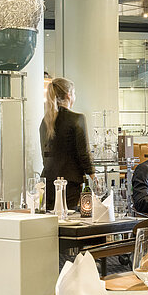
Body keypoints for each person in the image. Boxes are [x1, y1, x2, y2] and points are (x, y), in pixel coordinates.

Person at [40, 77, 95, 210]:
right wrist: (92, 174)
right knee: (67, 221)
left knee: (50, 223)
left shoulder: (45, 121)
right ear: (68, 95)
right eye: (74, 93)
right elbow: (84, 152)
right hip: (69, 182)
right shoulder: (77, 119)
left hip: (47, 180)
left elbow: (44, 155)